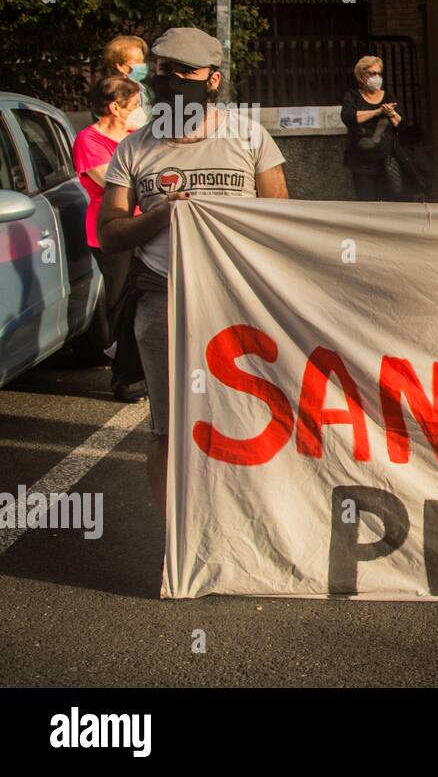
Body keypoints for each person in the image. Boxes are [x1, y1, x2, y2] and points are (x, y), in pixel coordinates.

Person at [98, 27, 290, 518]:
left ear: (213, 80)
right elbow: (111, 232)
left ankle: (247, 527)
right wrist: (164, 214)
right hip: (163, 304)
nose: (174, 81)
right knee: (168, 429)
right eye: (165, 72)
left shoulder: (249, 137)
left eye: (187, 73)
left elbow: (284, 221)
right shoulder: (133, 149)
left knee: (248, 423)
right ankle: (177, 544)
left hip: (238, 307)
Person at [72, 75, 146, 403]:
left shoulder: (137, 137)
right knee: (119, 302)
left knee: (146, 298)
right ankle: (124, 377)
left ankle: (142, 367)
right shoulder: (89, 140)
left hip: (145, 226)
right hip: (110, 233)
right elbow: (111, 182)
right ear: (115, 107)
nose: (141, 110)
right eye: (135, 105)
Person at [340, 55, 402, 201]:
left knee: (388, 202)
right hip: (361, 164)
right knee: (366, 203)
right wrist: (377, 112)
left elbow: (402, 123)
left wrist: (392, 113)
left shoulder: (388, 96)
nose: (376, 77)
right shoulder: (353, 96)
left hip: (386, 162)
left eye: (379, 73)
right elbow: (348, 117)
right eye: (372, 73)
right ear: (361, 76)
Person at [103, 34, 154, 114]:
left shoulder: (144, 88)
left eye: (142, 60)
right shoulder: (111, 93)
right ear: (120, 66)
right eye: (137, 61)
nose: (143, 65)